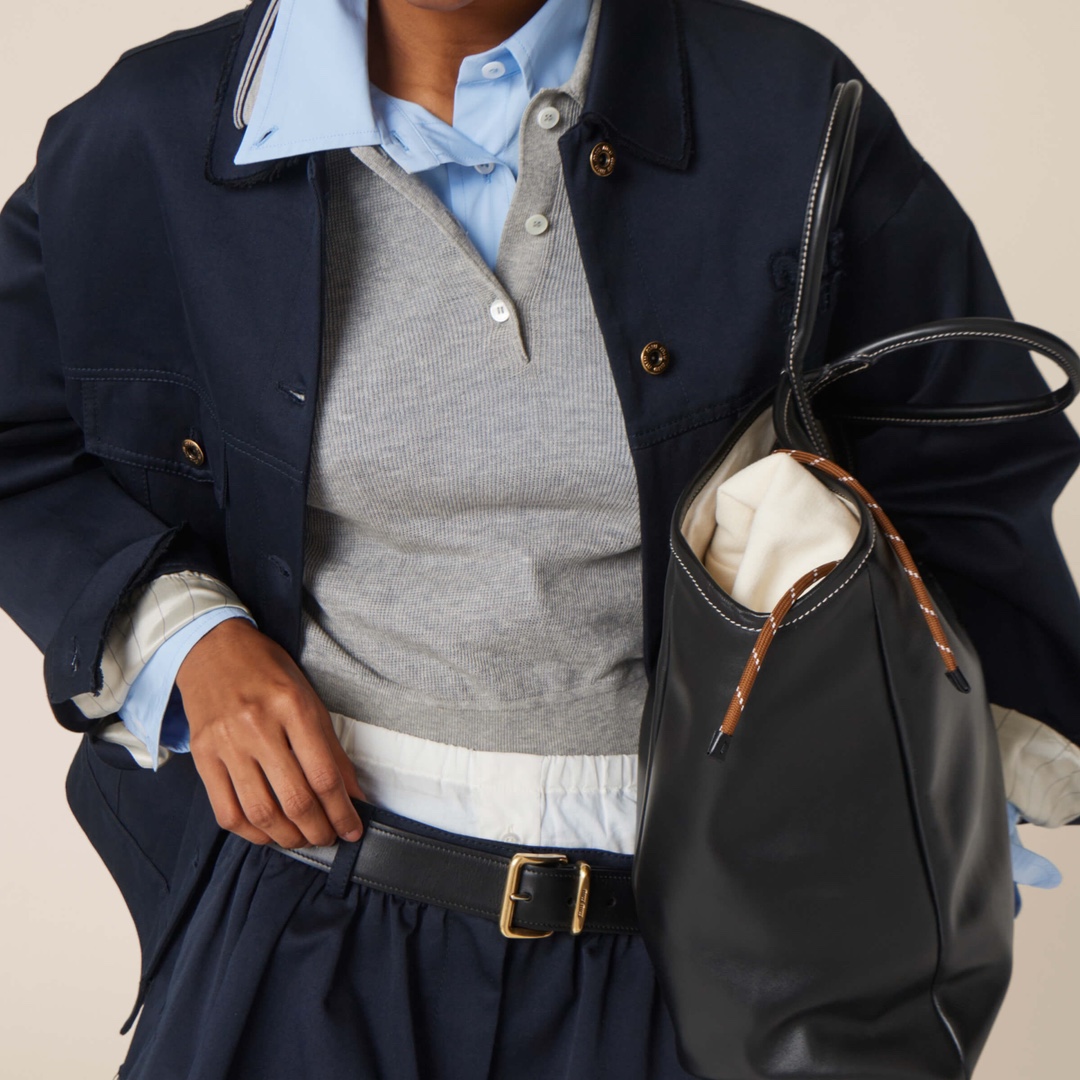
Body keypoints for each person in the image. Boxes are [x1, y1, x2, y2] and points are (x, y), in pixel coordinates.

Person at [1, 0, 1078, 1077]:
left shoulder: (789, 107)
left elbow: (960, 476)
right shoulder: (158, 128)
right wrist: (187, 641)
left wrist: (932, 819)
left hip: (701, 969)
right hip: (300, 935)